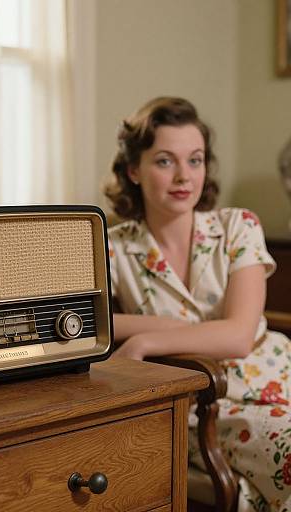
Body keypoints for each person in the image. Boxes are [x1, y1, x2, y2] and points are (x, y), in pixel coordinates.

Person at [105, 96, 291, 512]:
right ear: (134, 169)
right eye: (165, 161)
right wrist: (153, 334)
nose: (183, 177)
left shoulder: (238, 226)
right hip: (204, 401)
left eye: (195, 160)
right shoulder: (114, 248)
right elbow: (86, 324)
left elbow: (240, 335)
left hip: (279, 373)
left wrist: (145, 340)